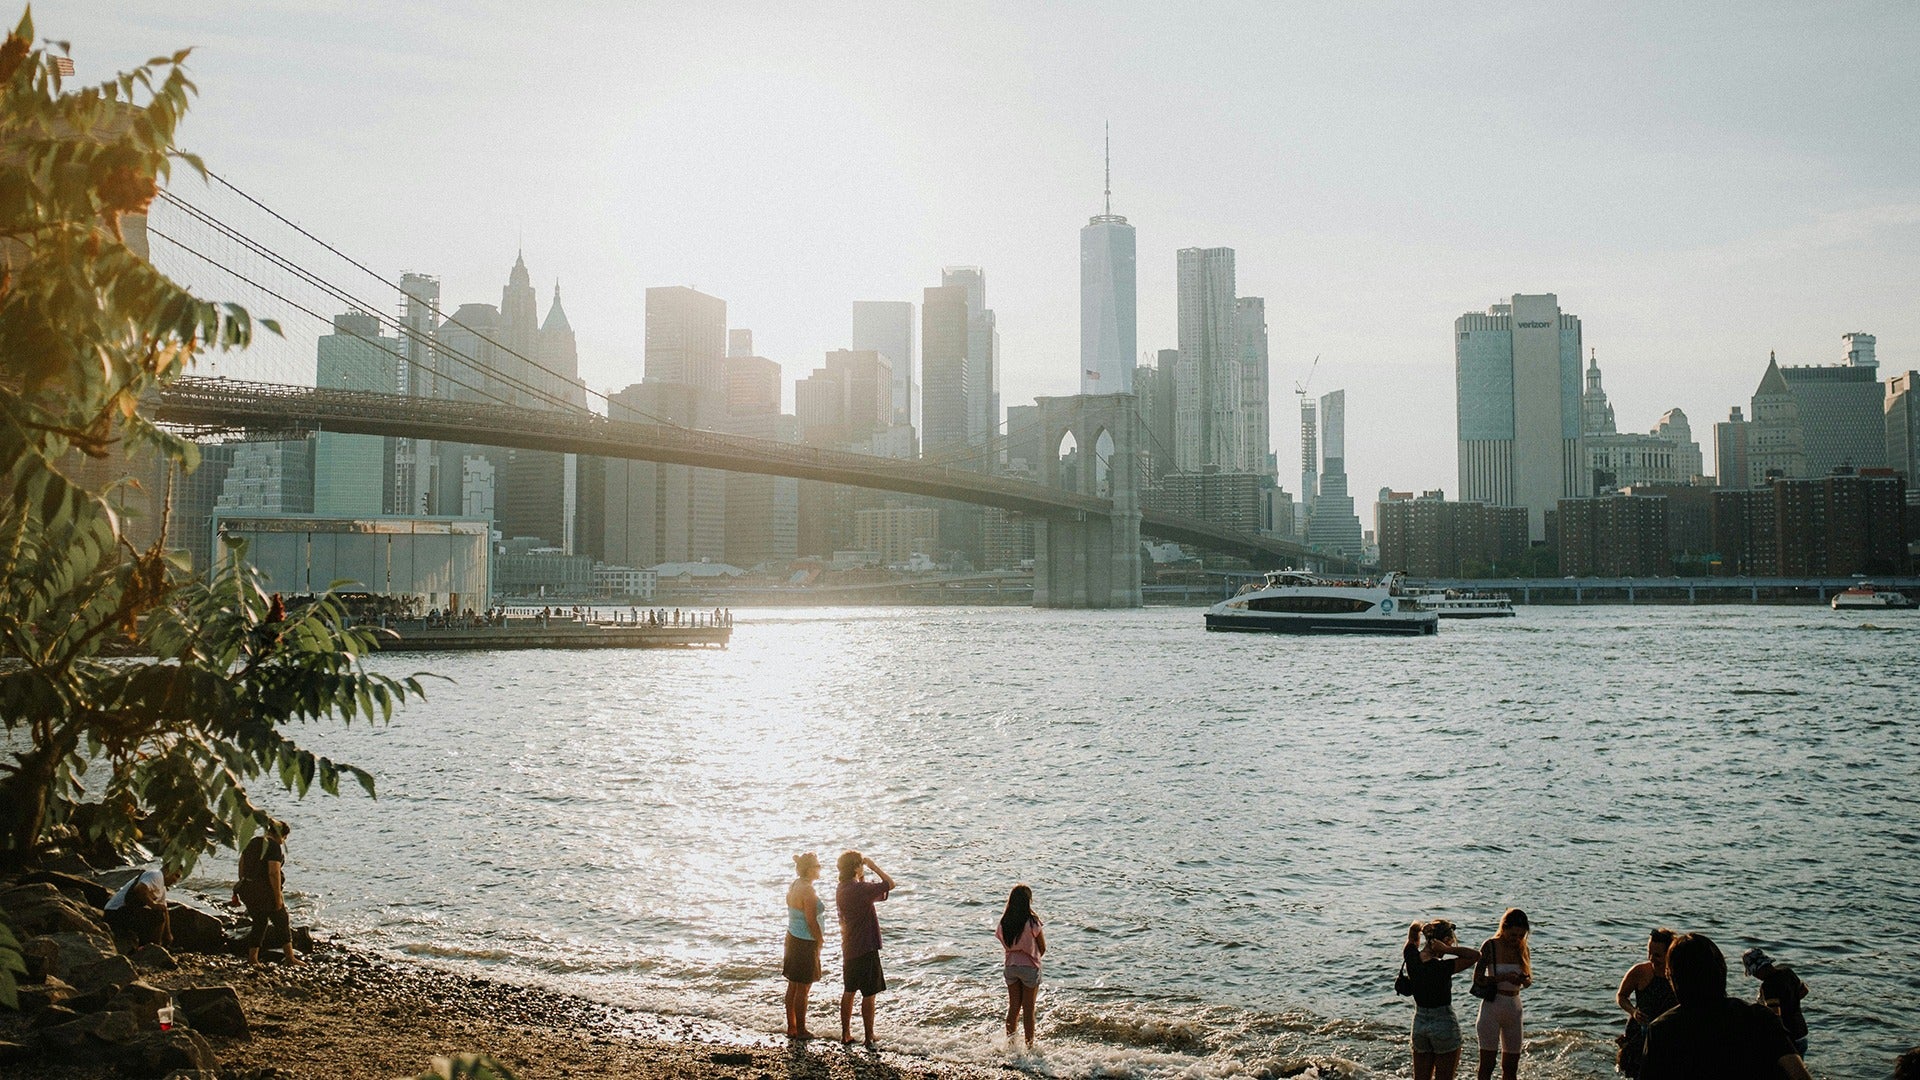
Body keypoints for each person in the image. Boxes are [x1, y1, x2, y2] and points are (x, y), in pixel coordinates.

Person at [1640, 933, 1811, 1080]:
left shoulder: (1661, 1031)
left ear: (1672, 979)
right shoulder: (1760, 1018)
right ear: (1721, 970)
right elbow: (1799, 1075)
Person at [1404, 919, 1479, 1080]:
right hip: (1444, 1023)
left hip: (1419, 1023)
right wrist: (1448, 949)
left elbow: (1412, 933)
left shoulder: (1411, 958)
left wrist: (1421, 927)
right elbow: (1475, 955)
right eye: (1450, 942)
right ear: (1444, 942)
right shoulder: (1442, 967)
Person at [834, 850, 894, 1047]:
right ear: (855, 867)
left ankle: (845, 1033)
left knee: (849, 990)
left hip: (849, 948)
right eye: (860, 864)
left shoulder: (842, 888)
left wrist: (862, 876)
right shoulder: (860, 890)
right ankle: (869, 1037)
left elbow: (867, 892)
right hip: (866, 947)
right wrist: (873, 866)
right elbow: (889, 884)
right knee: (869, 994)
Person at [1472, 908, 1532, 1080]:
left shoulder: (1523, 949)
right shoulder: (1490, 945)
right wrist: (1503, 977)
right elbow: (1477, 979)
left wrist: (1522, 980)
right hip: (1492, 1007)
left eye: (1521, 936)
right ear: (1504, 928)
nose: (1517, 939)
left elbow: (1528, 982)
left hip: (1514, 1008)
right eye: (1513, 935)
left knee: (1511, 1066)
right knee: (1487, 1065)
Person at [233, 820, 301, 966]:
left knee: (259, 922)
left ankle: (252, 958)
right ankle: (290, 957)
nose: (283, 842)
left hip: (247, 888)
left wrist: (244, 882)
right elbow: (273, 873)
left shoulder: (252, 842)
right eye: (285, 838)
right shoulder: (273, 846)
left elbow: (241, 864)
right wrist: (278, 896)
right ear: (280, 835)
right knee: (282, 920)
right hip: (264, 890)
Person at [1614, 928, 1679, 1077]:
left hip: (1667, 1035)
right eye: (1649, 952)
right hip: (1639, 1032)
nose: (1651, 958)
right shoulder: (1640, 972)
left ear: (1669, 954)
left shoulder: (1678, 975)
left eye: (1657, 955)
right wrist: (1633, 1012)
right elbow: (1621, 996)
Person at [996, 885, 1047, 1048]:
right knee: (1028, 1009)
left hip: (1011, 965)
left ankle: (1010, 1044)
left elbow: (1004, 943)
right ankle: (1029, 1046)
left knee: (1013, 1007)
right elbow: (1042, 947)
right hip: (1029, 967)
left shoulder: (1005, 921)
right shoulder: (1032, 921)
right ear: (1027, 901)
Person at [783, 852, 826, 1039]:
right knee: (803, 987)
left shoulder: (795, 884)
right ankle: (800, 1029)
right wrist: (820, 940)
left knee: (793, 985)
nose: (820, 869)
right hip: (804, 941)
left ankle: (792, 1027)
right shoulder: (808, 890)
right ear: (809, 869)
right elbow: (810, 920)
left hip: (792, 937)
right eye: (817, 866)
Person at [1742, 948, 1810, 1057]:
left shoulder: (1769, 985)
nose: (1755, 976)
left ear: (1759, 969)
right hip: (1802, 1033)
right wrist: (1790, 1002)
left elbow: (1775, 1016)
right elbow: (1804, 990)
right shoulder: (1787, 971)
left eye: (1754, 973)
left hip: (1788, 1038)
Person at [103, 865, 180, 947]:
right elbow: (139, 889)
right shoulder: (156, 874)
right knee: (157, 915)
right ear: (168, 870)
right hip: (114, 912)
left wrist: (168, 934)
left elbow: (164, 910)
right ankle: (154, 947)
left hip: (127, 912)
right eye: (176, 875)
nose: (176, 880)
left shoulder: (162, 888)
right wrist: (153, 905)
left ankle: (155, 946)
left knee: (158, 914)